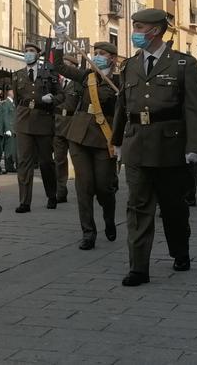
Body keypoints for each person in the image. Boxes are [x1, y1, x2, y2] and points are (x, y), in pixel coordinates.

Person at [112, 8, 197, 287]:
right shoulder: (130, 65)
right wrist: (117, 141)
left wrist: (194, 146)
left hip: (170, 147)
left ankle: (180, 251)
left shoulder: (182, 64)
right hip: (137, 145)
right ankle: (138, 267)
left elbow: (194, 109)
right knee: (138, 208)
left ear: (154, 31)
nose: (135, 33)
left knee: (173, 207)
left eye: (139, 27)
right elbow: (122, 106)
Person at [53, 37, 120, 250]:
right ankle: (88, 233)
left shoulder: (120, 81)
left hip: (104, 137)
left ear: (112, 59)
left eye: (102, 54)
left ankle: (109, 219)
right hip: (79, 134)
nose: (98, 57)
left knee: (104, 187)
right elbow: (59, 66)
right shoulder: (86, 76)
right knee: (84, 186)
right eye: (96, 53)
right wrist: (58, 42)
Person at [11, 41, 60, 212]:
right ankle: (25, 201)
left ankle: (52, 195)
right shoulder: (17, 75)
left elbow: (60, 96)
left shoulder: (49, 74)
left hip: (44, 121)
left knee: (46, 162)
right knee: (24, 162)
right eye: (26, 51)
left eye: (31, 51)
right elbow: (18, 100)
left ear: (38, 55)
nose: (28, 53)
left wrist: (51, 99)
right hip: (24, 121)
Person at [52, 68, 81, 204]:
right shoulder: (56, 82)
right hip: (58, 126)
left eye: (67, 65)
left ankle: (83, 191)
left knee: (78, 160)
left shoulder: (78, 83)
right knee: (59, 160)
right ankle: (61, 191)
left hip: (73, 125)